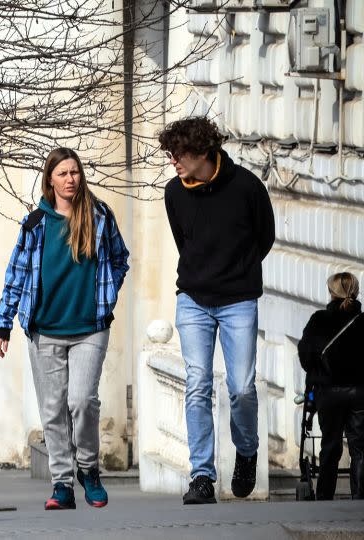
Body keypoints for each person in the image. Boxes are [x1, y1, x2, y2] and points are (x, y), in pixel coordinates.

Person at [0, 147, 129, 510]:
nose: (71, 179)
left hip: (89, 327)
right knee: (53, 409)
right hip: (45, 329)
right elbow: (16, 274)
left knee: (82, 401)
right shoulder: (36, 223)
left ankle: (89, 468)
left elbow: (120, 259)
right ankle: (62, 484)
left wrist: (108, 294)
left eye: (75, 173)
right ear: (50, 179)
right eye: (63, 174)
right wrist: (2, 325)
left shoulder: (99, 216)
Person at [159, 116, 275, 504]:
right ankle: (202, 476)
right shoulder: (174, 192)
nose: (173, 161)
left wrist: (237, 273)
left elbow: (265, 236)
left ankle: (246, 451)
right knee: (197, 385)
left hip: (239, 300)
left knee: (241, 387)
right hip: (192, 299)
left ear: (202, 152)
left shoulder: (246, 187)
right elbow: (184, 241)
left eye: (179, 153)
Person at [298, 272, 364, 500]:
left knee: (330, 446)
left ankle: (324, 498)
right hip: (359, 392)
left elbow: (306, 356)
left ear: (331, 292)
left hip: (328, 392)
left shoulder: (319, 320)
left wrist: (319, 373)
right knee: (359, 448)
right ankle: (360, 498)